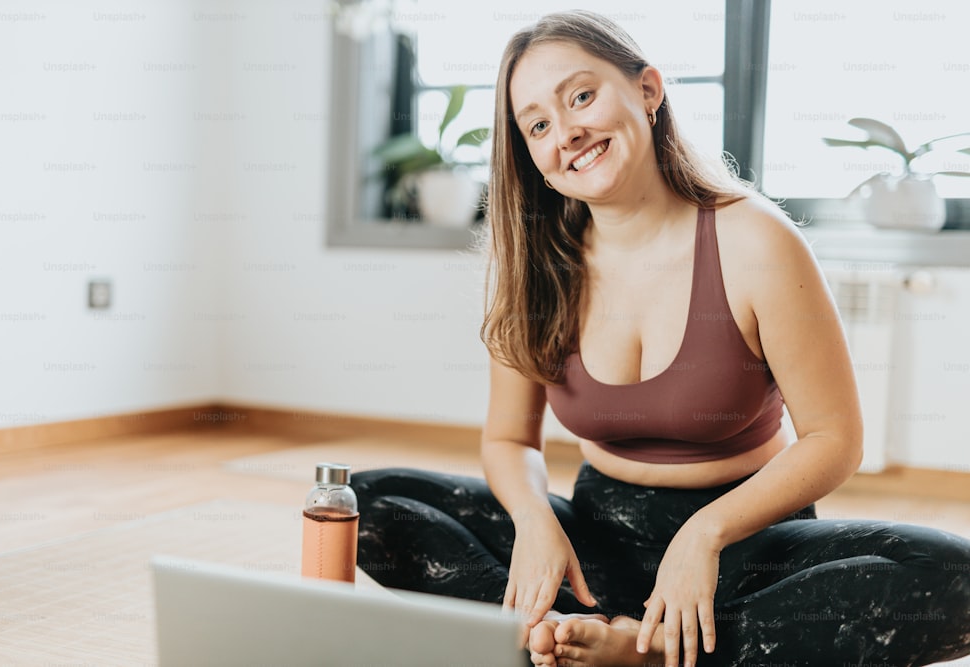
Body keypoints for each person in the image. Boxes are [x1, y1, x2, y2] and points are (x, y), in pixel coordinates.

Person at [352, 10, 970, 667]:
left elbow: (834, 439)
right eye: (538, 125)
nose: (568, 133)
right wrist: (536, 522)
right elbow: (508, 438)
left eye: (581, 96)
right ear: (529, 152)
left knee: (953, 578)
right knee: (355, 503)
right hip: (595, 541)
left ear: (648, 90)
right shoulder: (533, 262)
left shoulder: (756, 240)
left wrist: (705, 534)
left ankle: (631, 648)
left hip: (746, 549)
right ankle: (594, 628)